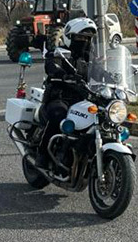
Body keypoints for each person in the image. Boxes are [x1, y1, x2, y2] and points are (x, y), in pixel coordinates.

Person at [35, 17, 97, 169]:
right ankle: (42, 154)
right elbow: (51, 66)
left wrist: (113, 76)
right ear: (70, 37)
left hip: (82, 99)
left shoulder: (89, 57)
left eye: (87, 38)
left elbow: (98, 71)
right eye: (80, 37)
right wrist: (62, 74)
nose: (84, 41)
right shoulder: (58, 52)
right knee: (58, 115)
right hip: (59, 97)